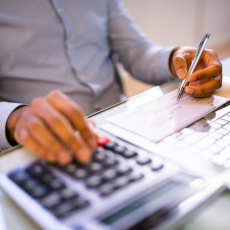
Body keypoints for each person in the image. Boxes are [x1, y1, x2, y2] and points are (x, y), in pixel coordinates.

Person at [0, 0, 222, 165]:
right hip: (43, 148)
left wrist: (176, 57)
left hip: (124, 130)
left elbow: (136, 51)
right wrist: (15, 118)